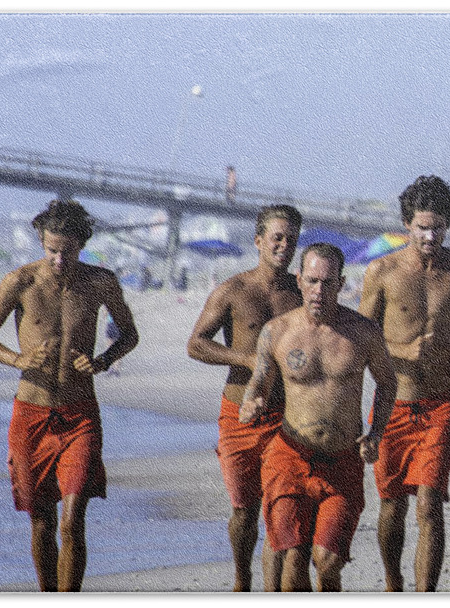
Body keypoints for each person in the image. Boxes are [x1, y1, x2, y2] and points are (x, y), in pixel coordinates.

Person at [0, 199, 139, 591]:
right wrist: (19, 359)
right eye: (51, 250)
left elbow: (129, 334)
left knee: (73, 517)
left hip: (80, 415)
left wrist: (101, 361)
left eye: (68, 251)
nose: (59, 260)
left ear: (82, 244)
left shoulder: (100, 281)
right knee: (42, 520)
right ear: (41, 242)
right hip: (31, 413)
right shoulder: (20, 281)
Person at [238, 243, 396, 591]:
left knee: (328, 562)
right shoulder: (277, 331)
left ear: (341, 283)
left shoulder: (363, 332)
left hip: (342, 462)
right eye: (311, 281)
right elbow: (259, 384)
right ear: (299, 280)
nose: (318, 291)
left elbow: (387, 382)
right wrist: (251, 403)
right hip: (290, 456)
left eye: (327, 282)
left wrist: (376, 434)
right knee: (292, 557)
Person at [359, 175, 450, 592]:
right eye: (421, 227)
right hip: (394, 405)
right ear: (407, 225)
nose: (430, 235)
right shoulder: (382, 271)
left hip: (440, 404)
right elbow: (360, 338)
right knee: (392, 506)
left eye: (438, 227)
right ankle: (394, 584)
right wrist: (401, 351)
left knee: (430, 504)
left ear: (447, 225)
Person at [186, 204, 302, 591]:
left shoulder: (303, 293)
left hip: (286, 416)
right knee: (243, 510)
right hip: (239, 415)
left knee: (281, 506)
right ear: (258, 242)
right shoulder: (233, 291)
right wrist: (246, 358)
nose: (284, 245)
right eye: (277, 238)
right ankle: (241, 578)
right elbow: (196, 344)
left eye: (291, 238)